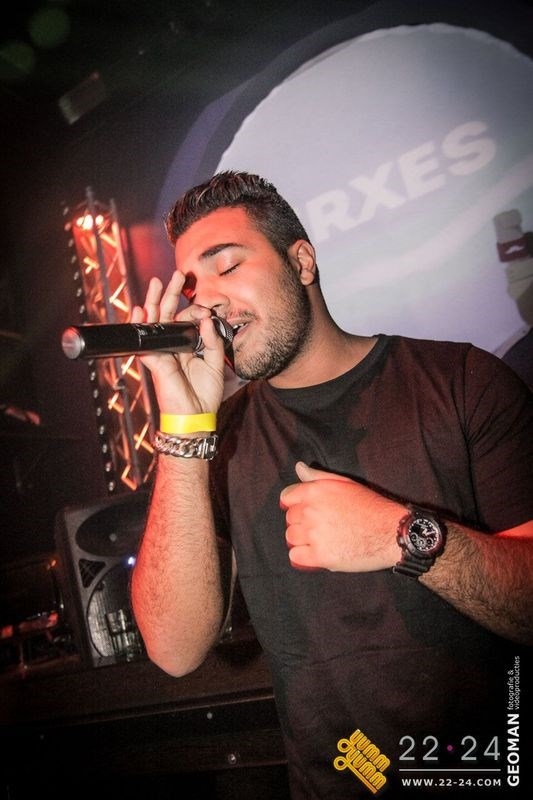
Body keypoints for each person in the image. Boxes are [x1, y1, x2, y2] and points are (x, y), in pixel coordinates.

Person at [130, 171, 533, 798]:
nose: (207, 304)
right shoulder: (217, 442)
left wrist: (402, 536)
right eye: (192, 288)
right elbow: (174, 650)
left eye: (227, 267)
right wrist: (184, 428)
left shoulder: (462, 382)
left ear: (302, 261)